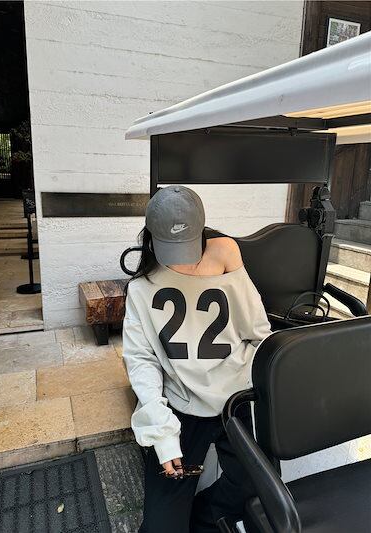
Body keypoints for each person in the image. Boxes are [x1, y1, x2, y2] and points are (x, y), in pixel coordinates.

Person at [122, 185, 272, 533]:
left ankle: (201, 521)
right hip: (181, 405)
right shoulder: (141, 288)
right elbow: (141, 360)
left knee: (254, 488)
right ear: (151, 240)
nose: (183, 261)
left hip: (235, 400)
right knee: (161, 526)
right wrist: (162, 433)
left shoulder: (226, 256)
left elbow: (258, 332)